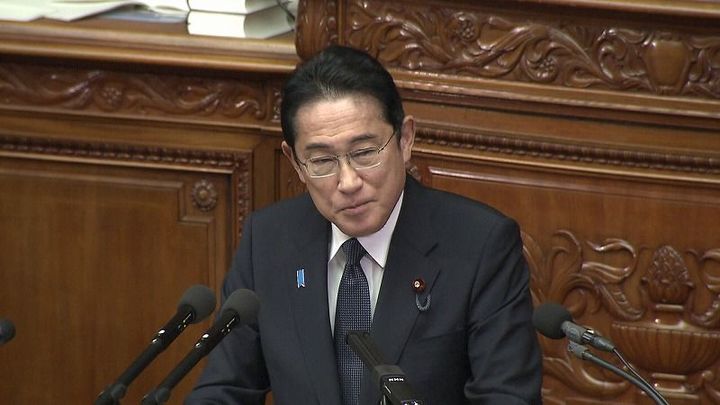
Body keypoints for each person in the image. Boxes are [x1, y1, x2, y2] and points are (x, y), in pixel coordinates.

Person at [186, 45, 542, 405]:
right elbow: (223, 389)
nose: (348, 181)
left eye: (365, 153)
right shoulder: (268, 241)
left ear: (405, 139)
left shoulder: (480, 246)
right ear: (295, 163)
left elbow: (507, 397)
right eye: (322, 161)